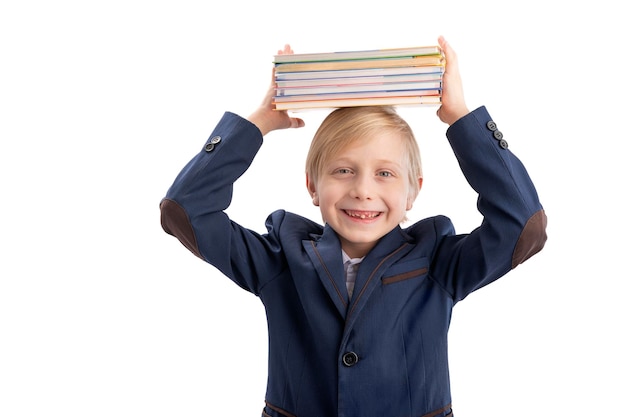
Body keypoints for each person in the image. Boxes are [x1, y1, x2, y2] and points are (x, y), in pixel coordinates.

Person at [160, 36, 547, 417]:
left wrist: (462, 118)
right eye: (343, 171)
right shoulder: (280, 259)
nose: (363, 190)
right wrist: (258, 122)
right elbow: (185, 209)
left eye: (385, 173)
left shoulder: (438, 262)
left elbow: (522, 225)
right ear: (313, 185)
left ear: (413, 192)